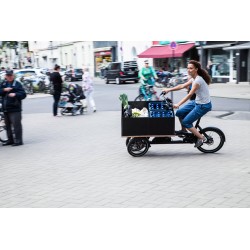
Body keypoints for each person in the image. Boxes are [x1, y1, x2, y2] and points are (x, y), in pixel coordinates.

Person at [162, 60, 212, 148]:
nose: (189, 70)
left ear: (196, 69)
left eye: (191, 68)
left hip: (203, 106)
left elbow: (190, 94)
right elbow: (182, 86)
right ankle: (184, 131)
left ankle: (201, 138)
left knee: (186, 122)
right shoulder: (194, 78)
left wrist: (178, 104)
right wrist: (168, 90)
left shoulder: (198, 81)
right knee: (179, 113)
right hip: (196, 102)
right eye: (188, 68)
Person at [0, 69, 26, 146]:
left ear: (13, 75)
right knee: (7, 126)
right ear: (5, 76)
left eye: (10, 75)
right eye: (8, 75)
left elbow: (23, 94)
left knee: (16, 125)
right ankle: (10, 140)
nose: (9, 77)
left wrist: (15, 94)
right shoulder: (4, 83)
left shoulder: (17, 84)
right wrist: (4, 90)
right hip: (5, 108)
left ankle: (18, 141)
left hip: (15, 108)